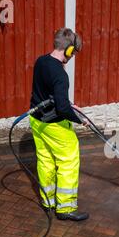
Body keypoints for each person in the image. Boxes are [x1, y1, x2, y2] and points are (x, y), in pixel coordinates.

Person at [29, 28, 88, 221]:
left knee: (45, 160)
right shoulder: (61, 75)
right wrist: (80, 119)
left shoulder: (41, 61)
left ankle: (48, 202)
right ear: (69, 50)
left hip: (37, 121)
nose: (73, 57)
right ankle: (65, 207)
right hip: (54, 125)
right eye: (74, 53)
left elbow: (50, 95)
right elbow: (62, 109)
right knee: (69, 161)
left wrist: (69, 105)